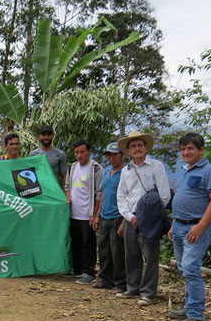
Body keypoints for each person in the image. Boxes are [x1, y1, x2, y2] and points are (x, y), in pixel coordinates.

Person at [167, 133, 211, 321]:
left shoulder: (209, 171)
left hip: (196, 227)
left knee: (191, 267)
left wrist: (200, 227)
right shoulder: (183, 170)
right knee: (184, 268)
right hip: (180, 225)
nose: (186, 152)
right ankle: (190, 307)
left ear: (201, 150)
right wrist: (174, 224)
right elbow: (181, 198)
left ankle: (196, 316)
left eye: (190, 148)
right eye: (183, 149)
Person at [116, 130, 170, 306]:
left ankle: (148, 292)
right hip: (131, 218)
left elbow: (164, 195)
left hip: (150, 219)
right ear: (129, 151)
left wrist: (149, 216)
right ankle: (133, 288)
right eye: (133, 146)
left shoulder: (156, 166)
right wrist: (129, 217)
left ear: (146, 148)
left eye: (140, 145)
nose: (137, 148)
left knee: (151, 256)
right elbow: (121, 196)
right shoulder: (126, 171)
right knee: (131, 254)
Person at [63, 140, 103, 285]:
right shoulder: (72, 168)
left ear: (89, 152)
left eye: (82, 152)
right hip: (74, 213)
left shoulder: (96, 169)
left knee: (88, 243)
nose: (79, 155)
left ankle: (89, 272)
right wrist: (68, 197)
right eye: (77, 152)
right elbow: (67, 186)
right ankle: (77, 269)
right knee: (76, 242)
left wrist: (96, 214)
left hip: (88, 214)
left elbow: (100, 193)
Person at [92, 142, 126, 294]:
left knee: (117, 251)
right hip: (105, 215)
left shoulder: (126, 172)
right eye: (109, 155)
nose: (111, 158)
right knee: (104, 249)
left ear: (122, 155)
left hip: (118, 216)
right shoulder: (107, 172)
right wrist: (98, 214)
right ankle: (105, 279)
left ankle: (120, 283)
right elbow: (103, 193)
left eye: (114, 155)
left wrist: (125, 220)